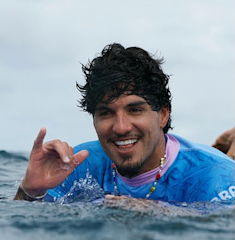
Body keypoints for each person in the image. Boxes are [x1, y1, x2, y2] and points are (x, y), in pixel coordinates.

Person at [14, 43, 235, 203]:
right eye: (106, 113)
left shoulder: (216, 176)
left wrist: (165, 215)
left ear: (163, 115)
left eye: (135, 110)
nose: (121, 127)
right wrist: (31, 191)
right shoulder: (77, 167)